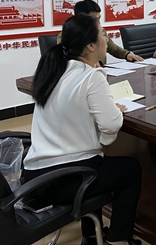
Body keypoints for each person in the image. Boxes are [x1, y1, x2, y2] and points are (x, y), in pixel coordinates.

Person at [24, 14, 142, 245]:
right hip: (63, 179)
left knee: (93, 161)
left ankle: (90, 236)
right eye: (103, 35)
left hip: (35, 177)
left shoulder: (54, 70)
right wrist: (113, 116)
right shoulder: (91, 76)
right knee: (130, 170)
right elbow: (111, 125)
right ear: (90, 46)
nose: (107, 40)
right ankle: (118, 240)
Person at [58, 0, 144, 65]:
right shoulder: (67, 36)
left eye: (99, 18)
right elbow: (67, 60)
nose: (98, 23)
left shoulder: (100, 31)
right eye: (95, 20)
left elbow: (113, 48)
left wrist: (126, 54)